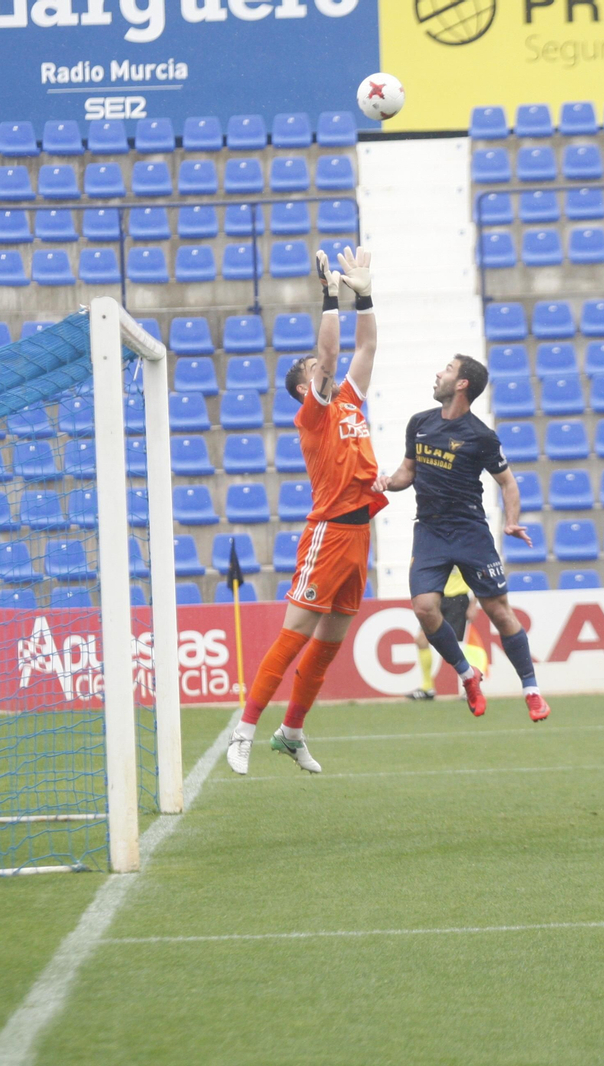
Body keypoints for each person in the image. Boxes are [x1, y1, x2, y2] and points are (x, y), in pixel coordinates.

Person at [226, 246, 385, 776]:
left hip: (359, 535)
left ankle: (291, 731)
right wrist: (329, 294)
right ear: (304, 386)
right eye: (316, 369)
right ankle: (244, 730)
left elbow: (367, 345)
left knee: (328, 644)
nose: (326, 368)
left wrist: (363, 295)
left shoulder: (350, 401)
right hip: (330, 532)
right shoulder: (314, 413)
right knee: (294, 636)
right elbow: (334, 353)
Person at [377, 355, 550, 722]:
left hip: (470, 531)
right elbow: (407, 472)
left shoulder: (481, 436)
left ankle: (531, 690)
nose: (438, 372)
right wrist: (386, 483)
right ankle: (467, 674)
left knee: (498, 611)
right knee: (424, 608)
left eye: (448, 370)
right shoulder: (420, 424)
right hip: (430, 530)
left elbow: (508, 482)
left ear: (461, 385)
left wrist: (512, 522)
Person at [407, 568, 487, 700]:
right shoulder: (434, 551)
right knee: (421, 640)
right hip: (435, 599)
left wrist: (474, 604)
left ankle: (472, 688)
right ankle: (427, 688)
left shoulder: (462, 550)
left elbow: (477, 575)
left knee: (459, 646)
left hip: (457, 599)